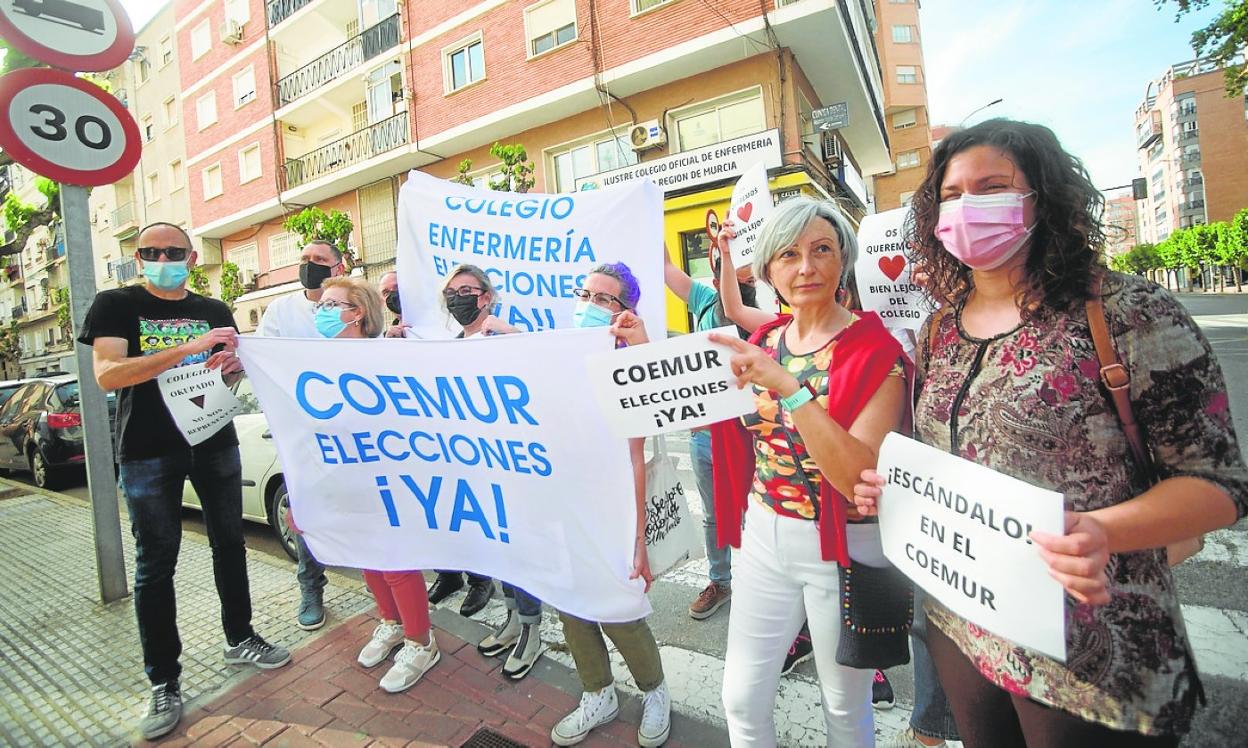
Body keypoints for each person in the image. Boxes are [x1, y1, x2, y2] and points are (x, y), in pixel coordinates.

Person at [852, 118, 1247, 747]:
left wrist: (1102, 531)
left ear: (1043, 196)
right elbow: (940, 460)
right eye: (951, 195)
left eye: (992, 186)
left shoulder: (1128, 313)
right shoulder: (939, 331)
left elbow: (1219, 484)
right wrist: (895, 491)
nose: (968, 207)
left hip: (1093, 656)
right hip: (964, 630)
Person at [79, 223, 291, 740]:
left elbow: (220, 376)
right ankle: (164, 680)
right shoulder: (115, 305)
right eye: (151, 252)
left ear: (192, 258)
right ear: (137, 257)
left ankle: (240, 637)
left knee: (231, 544)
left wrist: (230, 366)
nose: (163, 258)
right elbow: (108, 374)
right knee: (156, 563)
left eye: (173, 252)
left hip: (213, 439)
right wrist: (189, 346)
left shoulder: (216, 310)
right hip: (149, 451)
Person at [709, 197, 909, 747]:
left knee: (845, 708)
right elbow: (693, 398)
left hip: (843, 547)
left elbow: (855, 473)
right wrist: (638, 359)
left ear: (843, 258)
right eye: (789, 254)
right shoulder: (761, 341)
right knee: (742, 698)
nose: (806, 267)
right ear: (769, 268)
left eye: (822, 249)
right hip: (763, 535)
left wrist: (791, 389)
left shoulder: (876, 351)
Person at [295, 276, 441, 691]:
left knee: (395, 560)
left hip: (388, 476)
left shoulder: (386, 357)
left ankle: (421, 642)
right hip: (343, 478)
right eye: (320, 305)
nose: (321, 311)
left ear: (357, 313)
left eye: (331, 304)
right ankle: (391, 622)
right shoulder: (311, 363)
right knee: (367, 557)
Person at [551, 262, 670, 748]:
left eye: (603, 299)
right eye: (585, 294)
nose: (589, 304)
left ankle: (654, 690)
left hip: (615, 509)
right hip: (566, 506)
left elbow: (637, 457)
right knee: (572, 606)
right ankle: (598, 692)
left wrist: (638, 538)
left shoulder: (628, 366)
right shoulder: (557, 357)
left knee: (620, 607)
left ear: (625, 311)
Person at [661, 243, 758, 621]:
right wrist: (647, 205)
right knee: (714, 515)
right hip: (704, 435)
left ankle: (758, 586)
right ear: (716, 275)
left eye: (748, 272)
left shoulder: (764, 307)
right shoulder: (703, 298)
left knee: (756, 516)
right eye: (732, 270)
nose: (740, 278)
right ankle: (721, 581)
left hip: (750, 436)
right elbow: (664, 265)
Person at [255, 239, 346, 631]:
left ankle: (386, 591)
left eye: (319, 260)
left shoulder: (355, 302)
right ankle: (311, 588)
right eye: (305, 259)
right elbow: (262, 356)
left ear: (338, 268)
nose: (310, 265)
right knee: (305, 511)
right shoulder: (281, 311)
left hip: (350, 429)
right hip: (304, 433)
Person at [378, 270, 410, 339]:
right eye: (386, 292)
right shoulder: (385, 338)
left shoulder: (434, 325)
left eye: (397, 287)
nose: (393, 296)